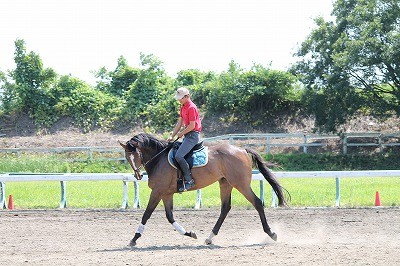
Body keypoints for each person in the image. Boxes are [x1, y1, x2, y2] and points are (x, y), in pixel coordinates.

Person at [167, 87, 202, 192]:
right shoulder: (183, 107)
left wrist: (182, 133)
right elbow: (180, 123)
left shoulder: (192, 107)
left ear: (187, 96)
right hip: (187, 135)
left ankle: (189, 180)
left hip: (192, 135)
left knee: (179, 156)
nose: (179, 100)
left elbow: (192, 126)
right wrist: (172, 135)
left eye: (181, 98)